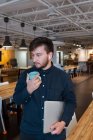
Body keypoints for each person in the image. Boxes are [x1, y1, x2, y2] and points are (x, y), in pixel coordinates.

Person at [13, 37, 76, 140]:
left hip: (54, 132)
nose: (34, 59)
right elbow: (16, 99)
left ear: (50, 55)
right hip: (29, 133)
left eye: (38, 55)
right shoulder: (26, 75)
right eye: (32, 55)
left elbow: (71, 102)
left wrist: (63, 122)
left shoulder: (63, 77)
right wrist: (28, 89)